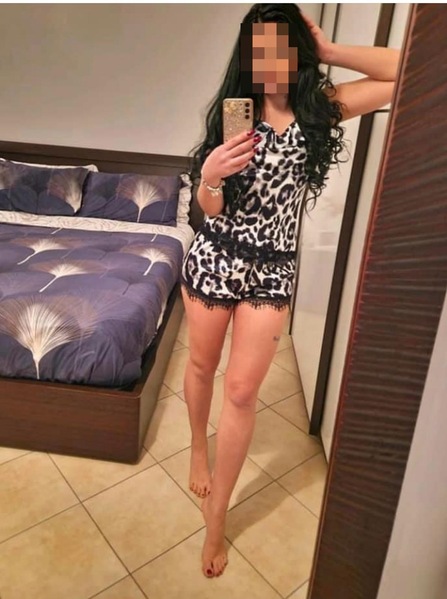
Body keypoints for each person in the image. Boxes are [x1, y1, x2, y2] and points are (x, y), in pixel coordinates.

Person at [180, 3, 400, 578]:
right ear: (248, 55)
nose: (269, 60)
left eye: (282, 46)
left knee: (242, 393)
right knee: (201, 366)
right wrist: (210, 177)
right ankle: (198, 448)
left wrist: (331, 51)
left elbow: (406, 68)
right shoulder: (236, 113)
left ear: (297, 52)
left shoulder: (320, 108)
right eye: (259, 49)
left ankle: (218, 514)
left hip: (272, 270)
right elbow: (211, 210)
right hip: (216, 257)